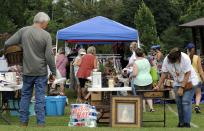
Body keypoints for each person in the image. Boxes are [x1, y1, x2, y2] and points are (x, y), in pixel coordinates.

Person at [5, 12, 56, 127]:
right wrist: (53, 71)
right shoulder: (46, 35)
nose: (46, 26)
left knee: (25, 97)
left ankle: (23, 123)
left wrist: (18, 54)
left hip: (27, 71)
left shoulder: (23, 31)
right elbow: (49, 55)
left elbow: (7, 43)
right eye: (46, 23)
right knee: (40, 99)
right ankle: (40, 124)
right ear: (42, 22)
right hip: (41, 72)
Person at [155, 47, 198, 128]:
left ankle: (186, 124)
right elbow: (164, 73)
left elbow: (187, 74)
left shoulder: (185, 58)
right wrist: (158, 85)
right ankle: (181, 123)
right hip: (177, 82)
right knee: (178, 103)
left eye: (174, 61)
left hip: (190, 81)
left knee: (185, 102)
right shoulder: (167, 59)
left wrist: (182, 88)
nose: (171, 62)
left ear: (179, 58)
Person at [186, 43, 204, 113]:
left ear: (187, 50)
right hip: (196, 78)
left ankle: (187, 107)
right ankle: (197, 106)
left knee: (188, 94)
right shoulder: (197, 57)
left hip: (187, 79)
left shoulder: (184, 57)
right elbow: (200, 70)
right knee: (198, 93)